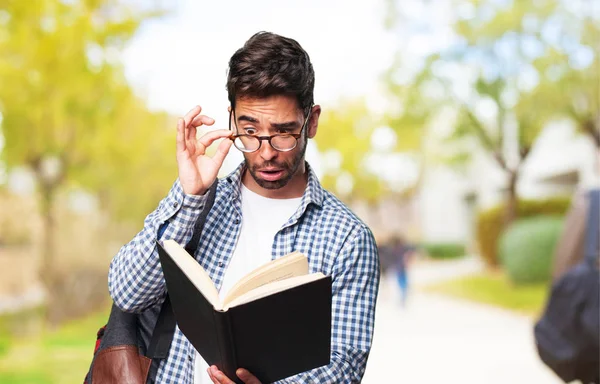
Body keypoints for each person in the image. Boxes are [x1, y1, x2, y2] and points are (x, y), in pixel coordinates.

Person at [108, 32, 380, 384]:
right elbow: (127, 293)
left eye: (284, 132)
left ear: (311, 122)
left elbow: (343, 368)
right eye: (249, 130)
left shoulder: (347, 238)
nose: (265, 152)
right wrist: (189, 197)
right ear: (232, 118)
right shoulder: (201, 201)